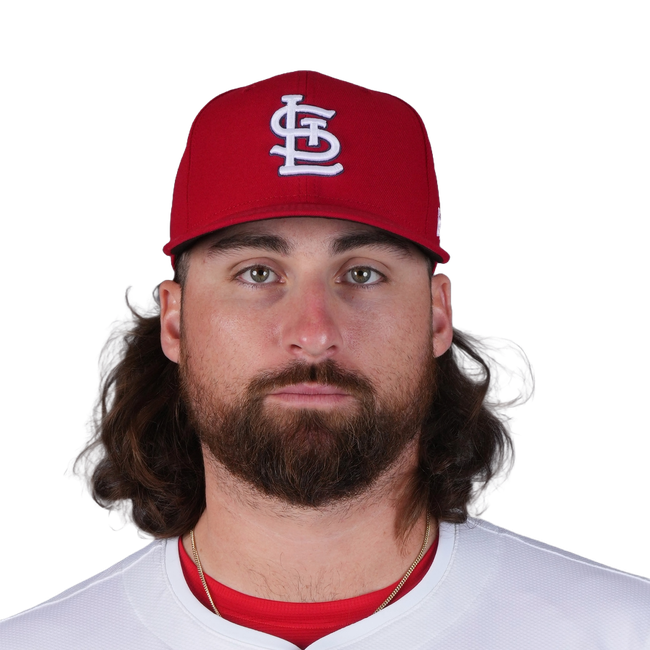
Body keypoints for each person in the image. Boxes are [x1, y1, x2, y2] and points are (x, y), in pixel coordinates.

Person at [1, 69, 648, 650]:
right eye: (258, 272)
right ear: (175, 321)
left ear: (437, 315)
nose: (313, 334)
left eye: (362, 274)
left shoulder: (621, 631)